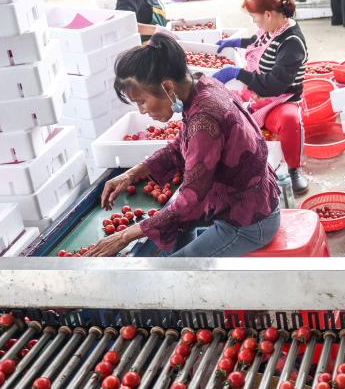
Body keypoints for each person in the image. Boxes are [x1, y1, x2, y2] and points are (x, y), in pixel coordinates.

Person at [88, 33, 280, 258]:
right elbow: (181, 143)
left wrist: (124, 236)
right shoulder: (203, 86)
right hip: (252, 199)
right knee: (172, 237)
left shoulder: (204, 119)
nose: (141, 110)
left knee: (173, 274)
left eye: (141, 101)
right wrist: (132, 174)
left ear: (168, 88)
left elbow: (189, 201)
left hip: (247, 222)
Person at [213, 0, 310, 194]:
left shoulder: (292, 42)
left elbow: (274, 85)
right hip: (255, 93)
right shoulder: (272, 27)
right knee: (219, 107)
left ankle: (294, 169)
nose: (253, 21)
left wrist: (237, 73)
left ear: (267, 14)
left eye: (254, 17)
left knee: (290, 120)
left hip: (280, 99)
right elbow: (256, 41)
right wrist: (236, 42)